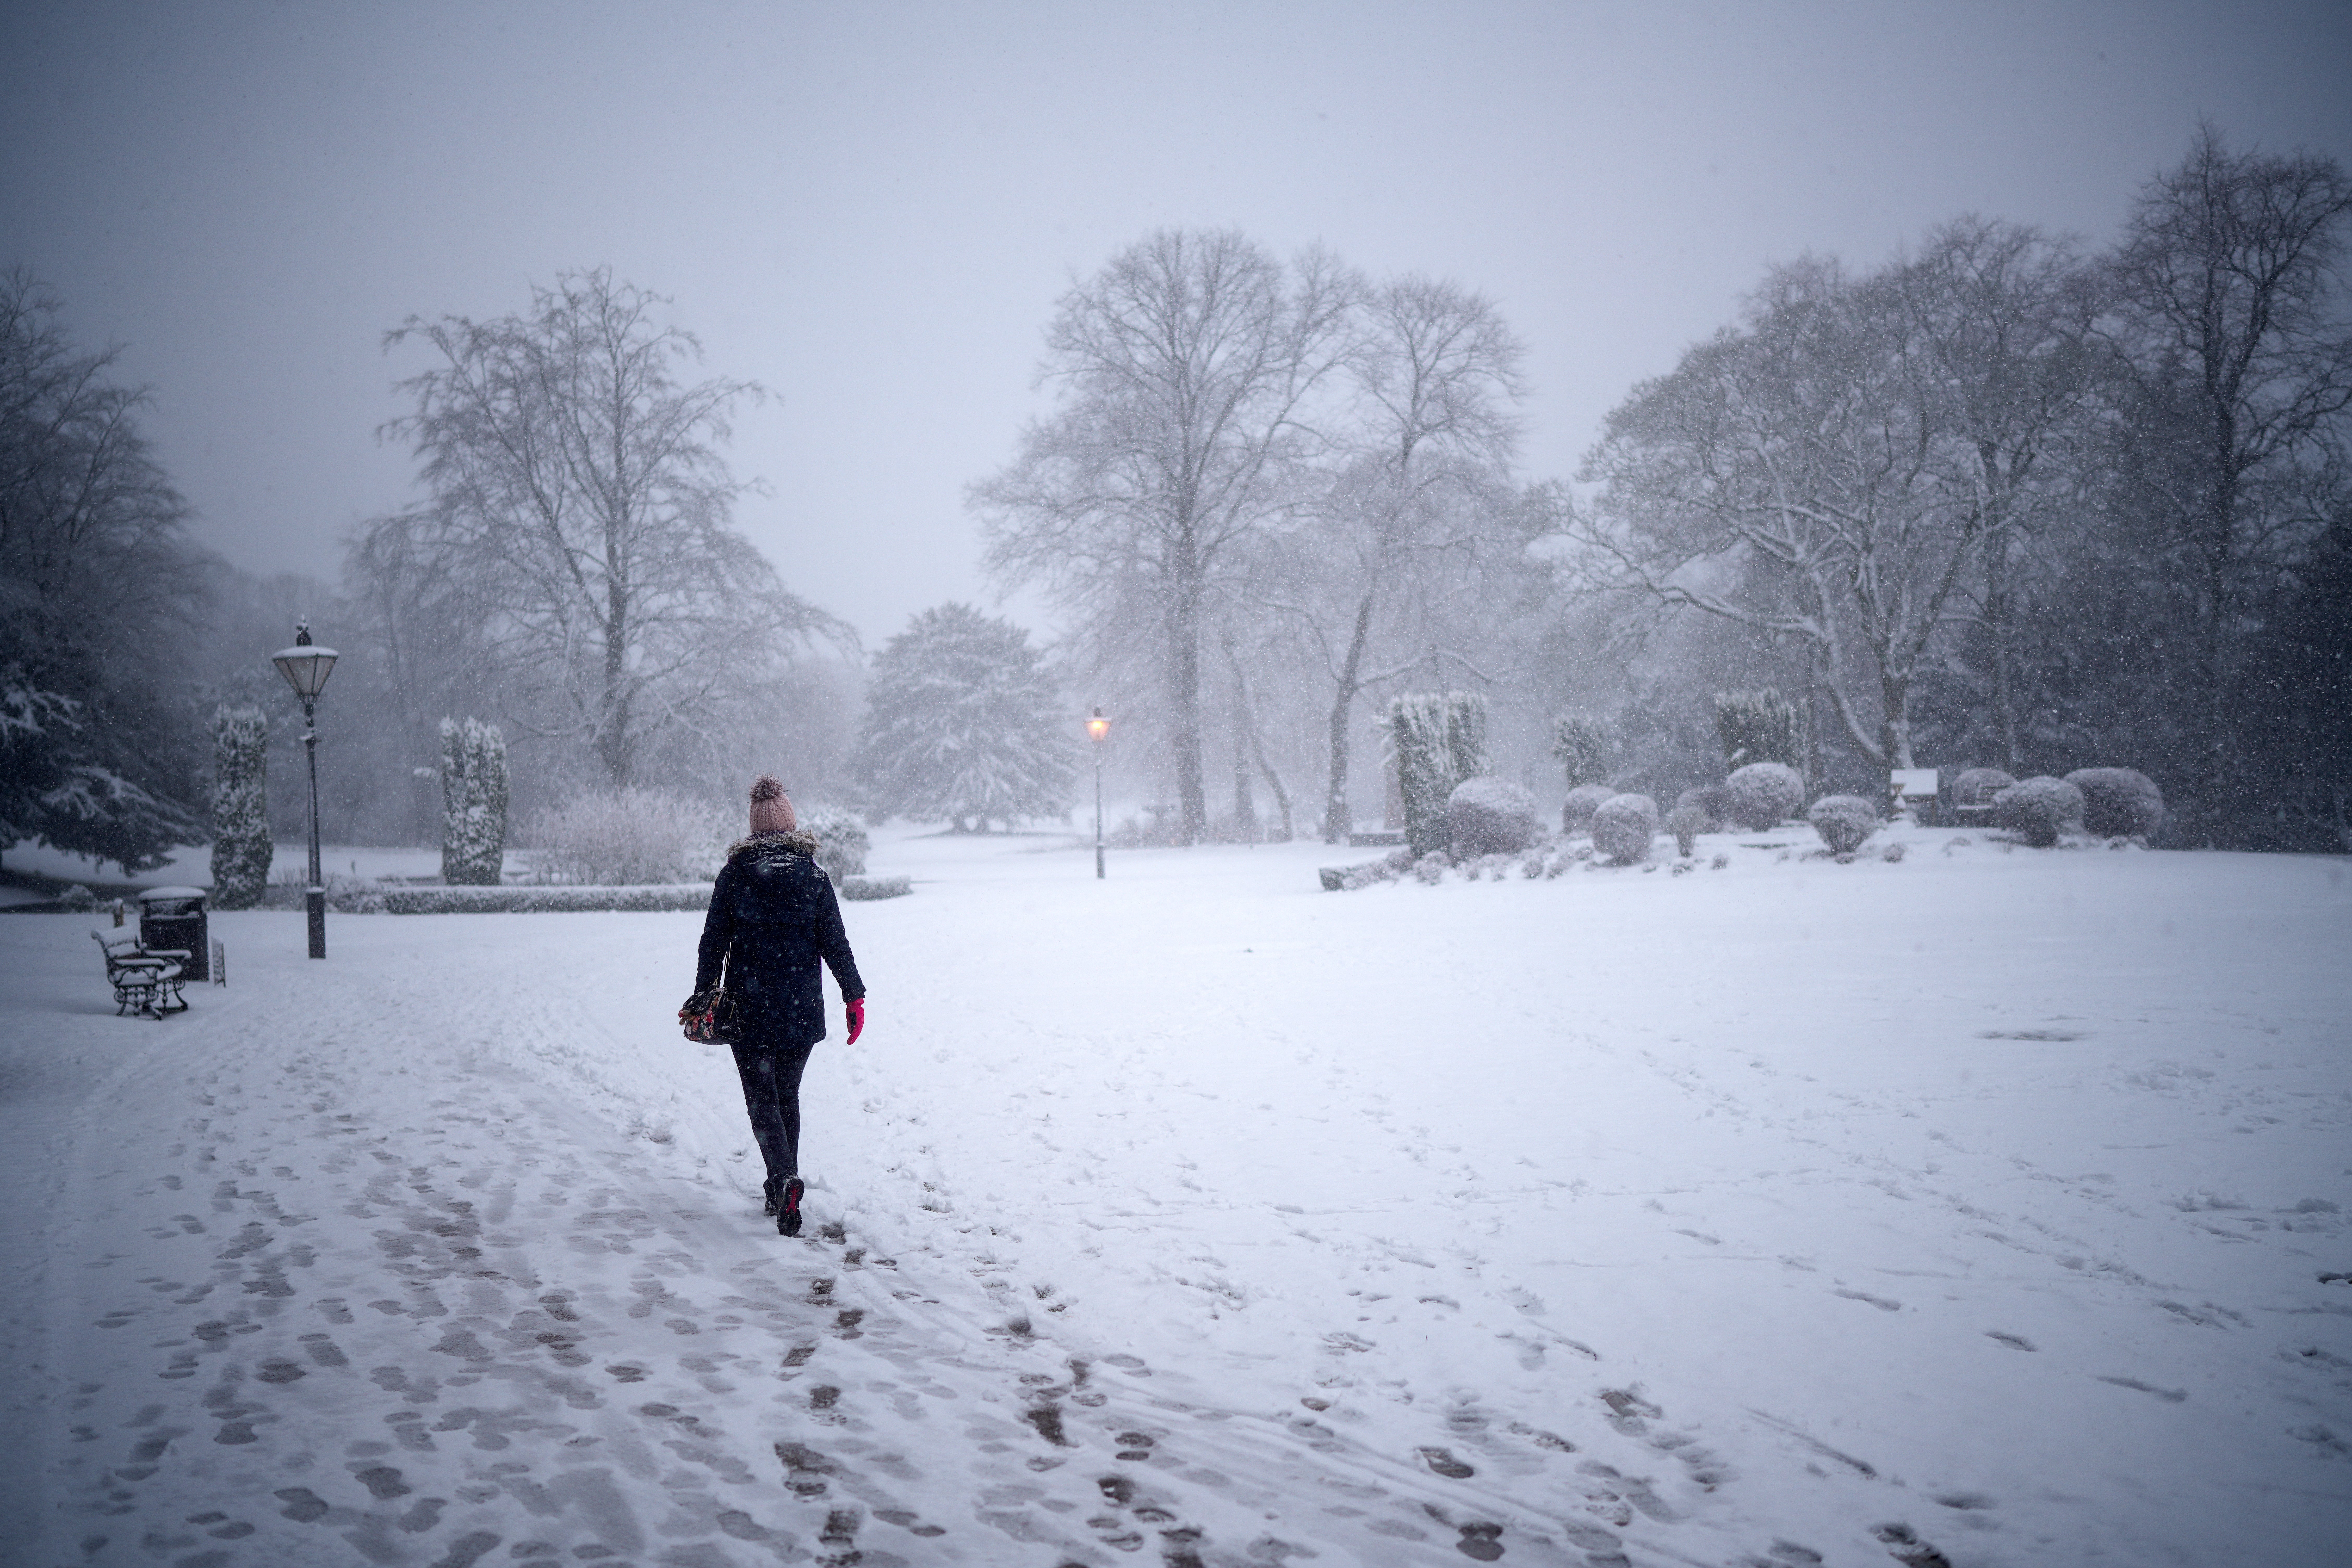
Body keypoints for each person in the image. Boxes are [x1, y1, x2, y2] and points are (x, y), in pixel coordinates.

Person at [686, 776, 866, 1236]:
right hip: (801, 1009)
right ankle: (783, 1186)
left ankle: (782, 1180)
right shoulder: (813, 877)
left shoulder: (735, 876)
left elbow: (713, 942)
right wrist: (854, 995)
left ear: (753, 828)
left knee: (761, 1100)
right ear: (791, 824)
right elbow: (836, 943)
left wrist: (704, 994)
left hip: (748, 1009)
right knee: (787, 1095)